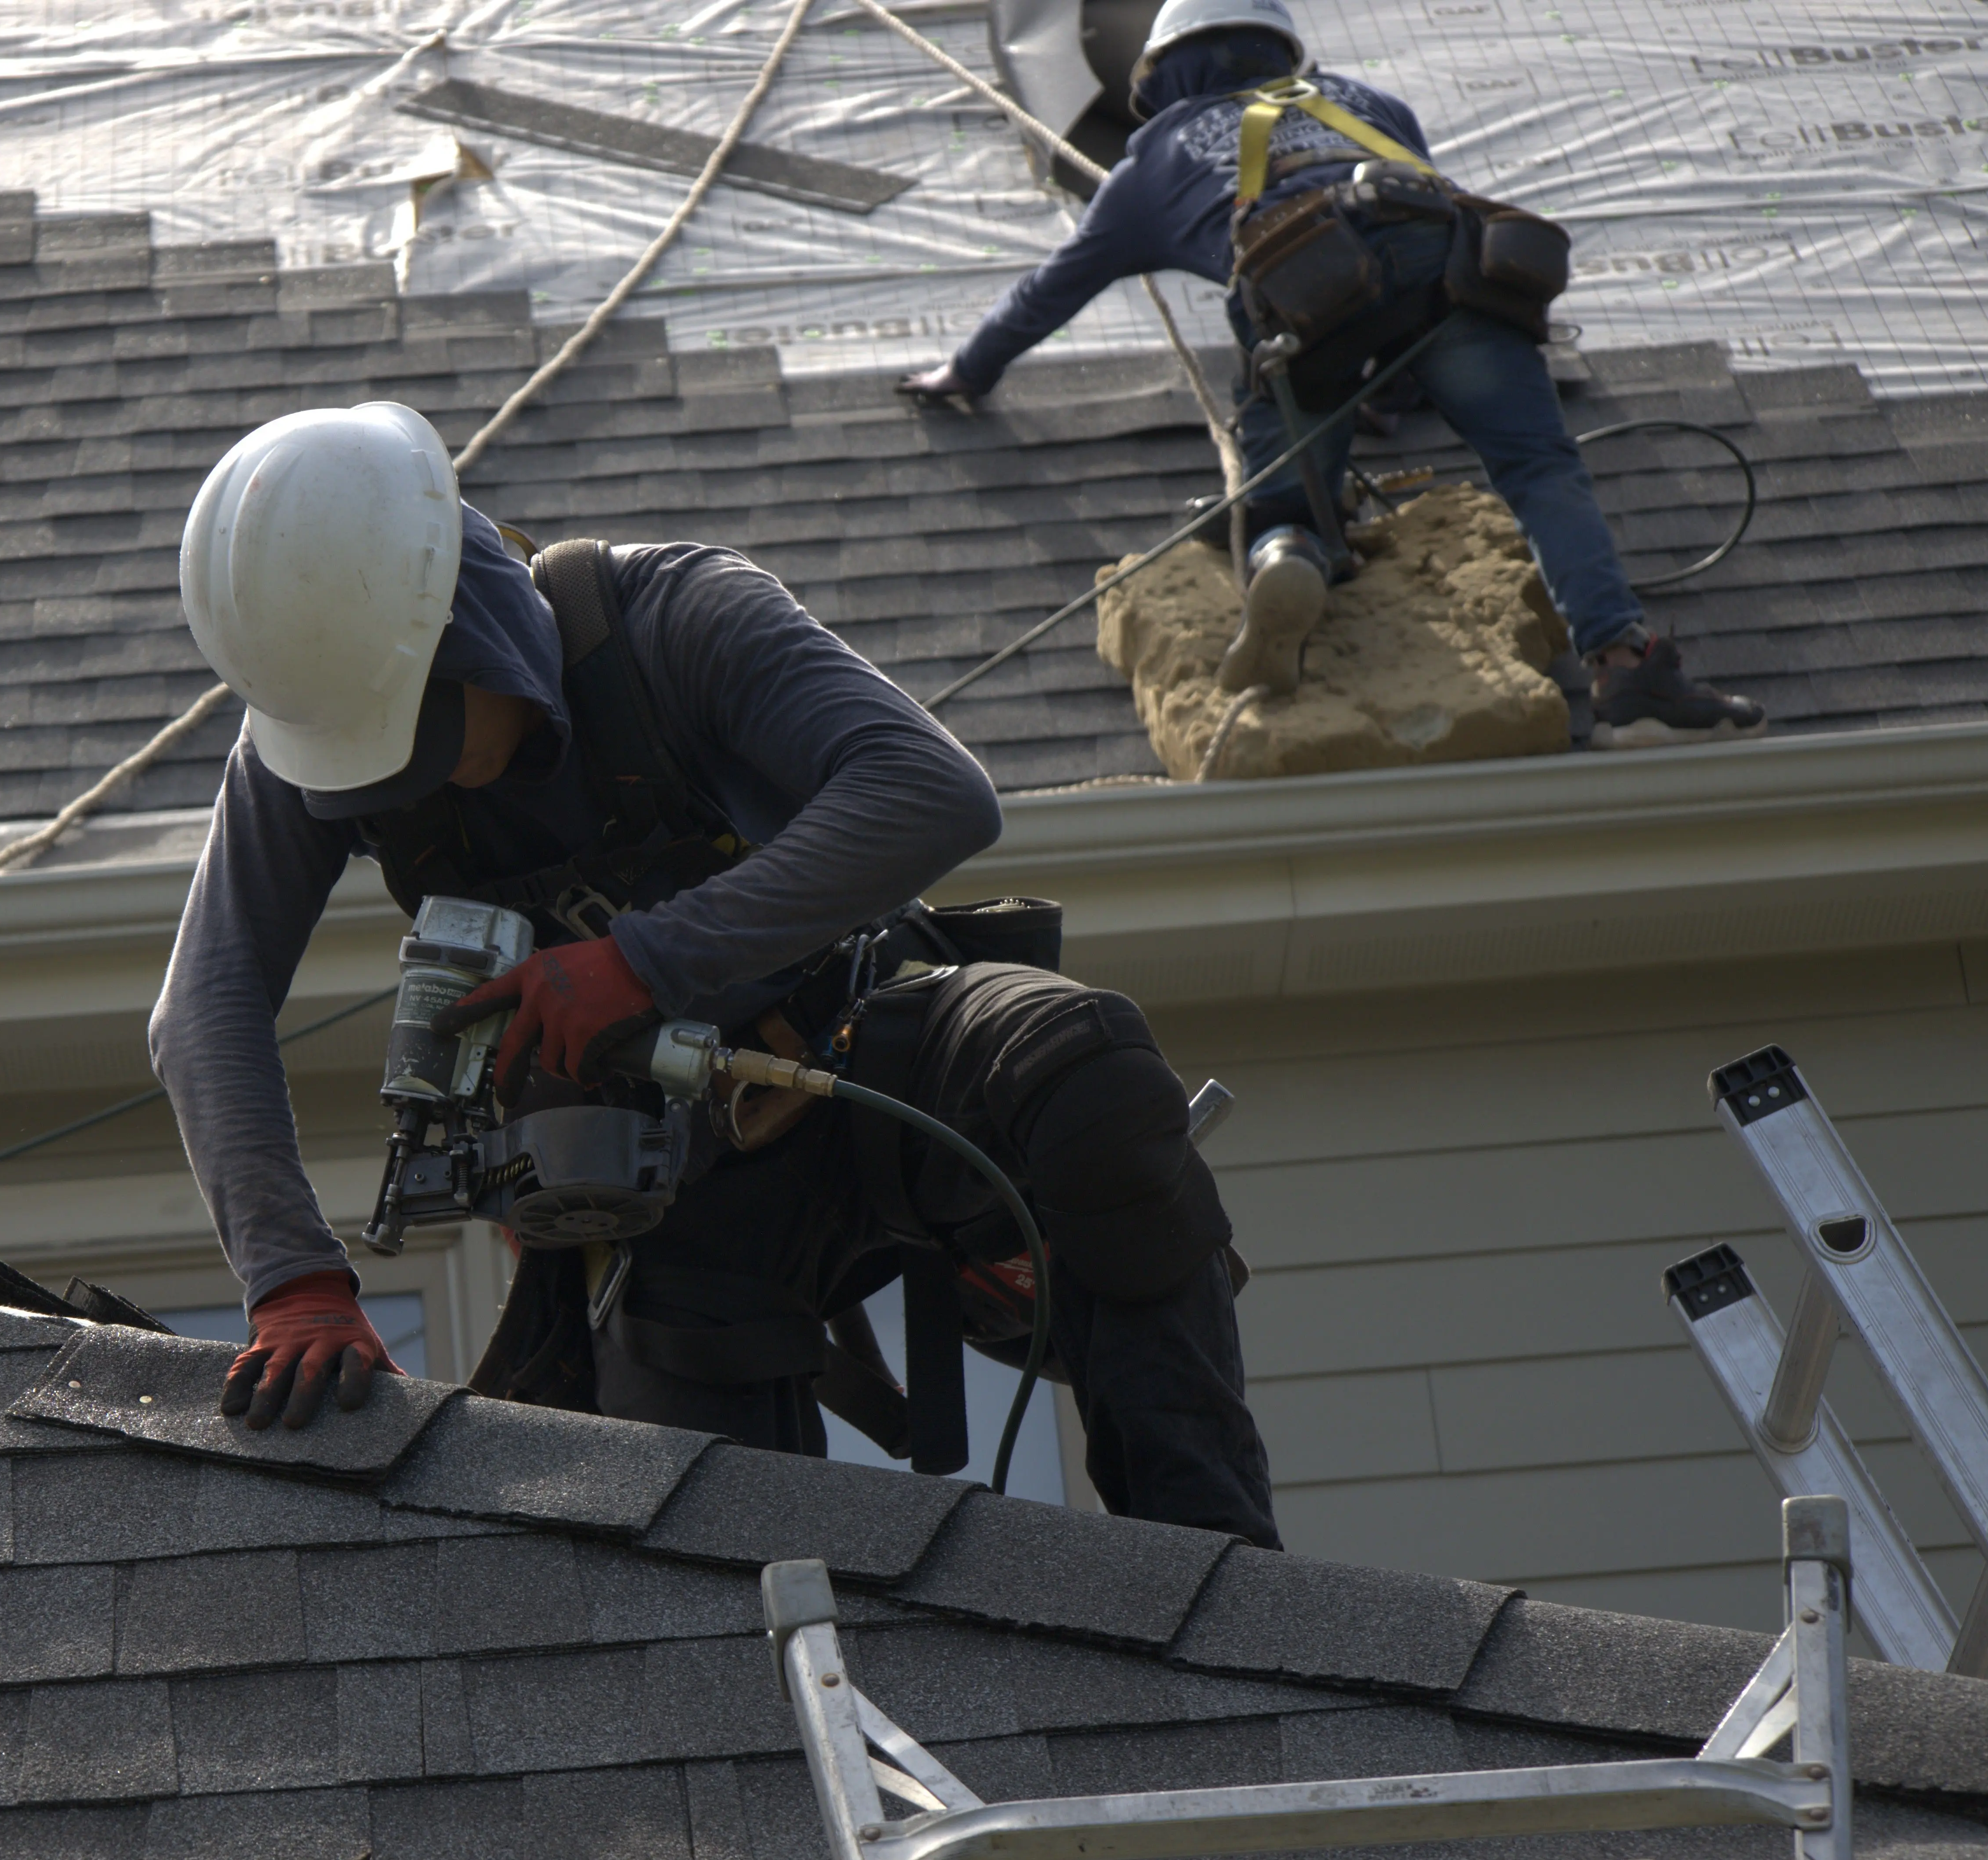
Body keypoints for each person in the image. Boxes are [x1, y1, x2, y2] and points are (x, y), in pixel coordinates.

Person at [147, 399, 1280, 1546]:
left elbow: (932, 790)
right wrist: (293, 1280)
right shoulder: (317, 715)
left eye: (420, 735)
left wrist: (644, 960)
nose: (405, 783)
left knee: (1078, 1063)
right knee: (698, 1535)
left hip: (867, 1045)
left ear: (471, 623)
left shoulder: (669, 617)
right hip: (668, 1182)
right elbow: (203, 1003)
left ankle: (1222, 1579)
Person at [899, 0, 1765, 752]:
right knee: (1539, 468)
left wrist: (965, 370)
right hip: (1447, 275)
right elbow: (1406, 239)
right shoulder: (1367, 103)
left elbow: (1048, 292)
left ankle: (1290, 549)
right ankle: (1625, 672)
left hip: (1302, 295)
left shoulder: (1154, 159)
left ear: (1167, 73)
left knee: (1283, 491)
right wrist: (1394, 390)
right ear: (1280, 52)